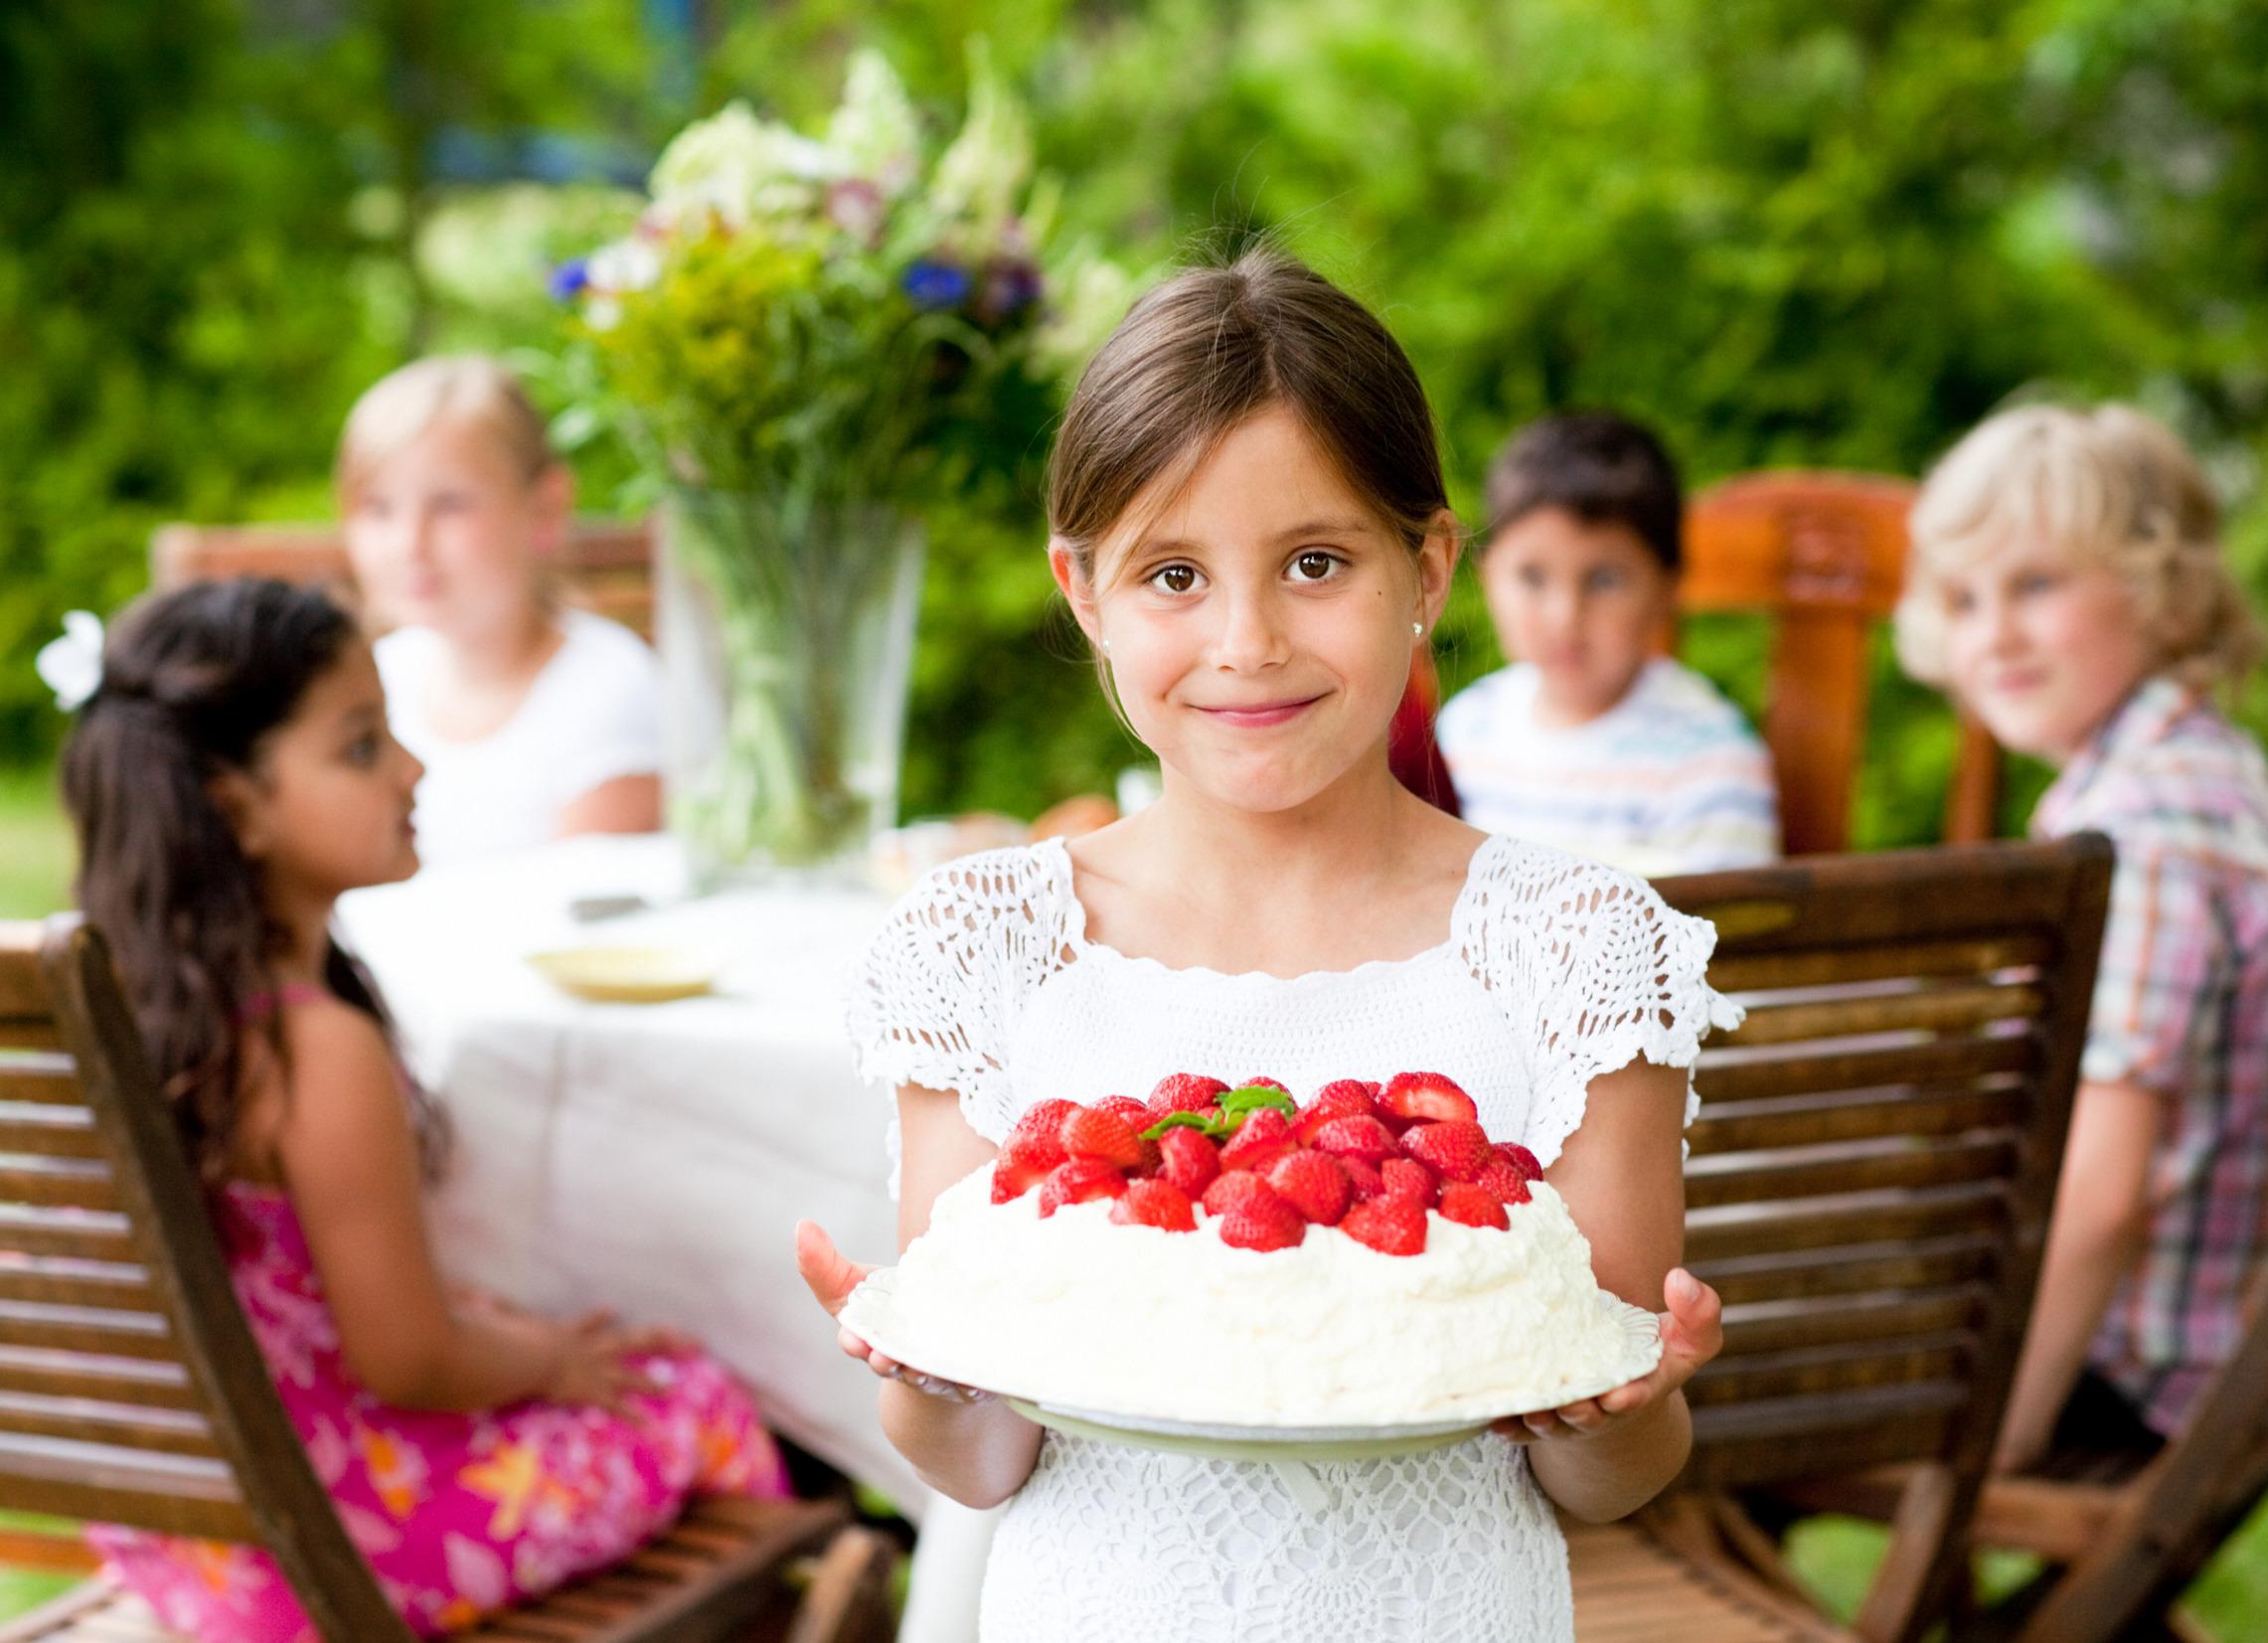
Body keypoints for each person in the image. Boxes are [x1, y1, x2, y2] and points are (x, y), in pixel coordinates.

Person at [795, 250, 1737, 1642]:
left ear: (1426, 567)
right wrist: (927, 1376)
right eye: (1173, 573)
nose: (1247, 641)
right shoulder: (977, 948)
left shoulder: (1582, 951)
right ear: (1083, 592)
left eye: (1314, 562)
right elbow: (983, 1462)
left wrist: (1618, 1404)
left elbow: (1615, 1475)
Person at [55, 579, 784, 1641]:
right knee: (689, 1395)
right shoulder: (314, 1049)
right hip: (337, 1554)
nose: (412, 767)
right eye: (360, 747)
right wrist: (552, 1363)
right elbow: (408, 1361)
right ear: (233, 807)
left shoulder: (138, 1018)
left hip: (195, 1553)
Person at [1895, 403, 2268, 1471]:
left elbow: (2099, 1198)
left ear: (2161, 593)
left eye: (2035, 584)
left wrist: (1994, 1443)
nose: (1992, 633)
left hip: (2157, 1378)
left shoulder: (2145, 838)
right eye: (1963, 596)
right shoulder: (2210, 776)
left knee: (1680, 1381)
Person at [338, 356, 662, 867]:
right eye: (378, 508)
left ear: (544, 508)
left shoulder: (607, 687)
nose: (409, 543)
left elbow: (601, 918)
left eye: (449, 504)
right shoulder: (377, 678)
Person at [1436, 411, 1777, 875]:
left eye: (1604, 579)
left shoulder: (1709, 767)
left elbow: (1725, 936)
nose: (1565, 618)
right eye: (1532, 577)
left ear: (1667, 589)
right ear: (1487, 575)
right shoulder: (1465, 732)